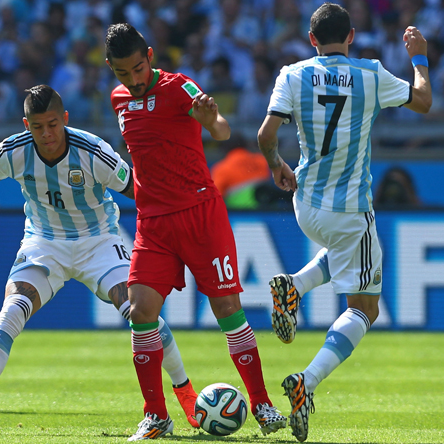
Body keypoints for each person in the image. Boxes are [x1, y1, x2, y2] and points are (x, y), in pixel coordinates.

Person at [0, 85, 199, 436]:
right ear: (25, 124)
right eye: (37, 127)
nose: (46, 134)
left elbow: (137, 190)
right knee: (12, 309)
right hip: (44, 242)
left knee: (139, 312)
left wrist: (170, 227)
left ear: (65, 119)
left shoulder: (94, 152)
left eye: (52, 125)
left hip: (100, 242)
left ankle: (184, 390)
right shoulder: (13, 151)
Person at [256, 4, 432, 442]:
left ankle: (294, 287)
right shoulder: (371, 74)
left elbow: (264, 134)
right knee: (365, 307)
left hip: (305, 204)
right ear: (351, 36)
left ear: (311, 40)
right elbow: (424, 101)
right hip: (350, 209)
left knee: (344, 252)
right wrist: (419, 58)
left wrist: (276, 164)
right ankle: (306, 382)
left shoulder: (292, 74)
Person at [105, 23, 287, 441]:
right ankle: (156, 416)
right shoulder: (118, 100)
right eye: (121, 74)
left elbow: (221, 129)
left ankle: (261, 405)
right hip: (153, 223)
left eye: (136, 69)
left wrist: (211, 120)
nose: (131, 81)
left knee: (228, 310)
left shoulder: (179, 87)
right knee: (141, 313)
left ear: (149, 56)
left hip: (200, 215)